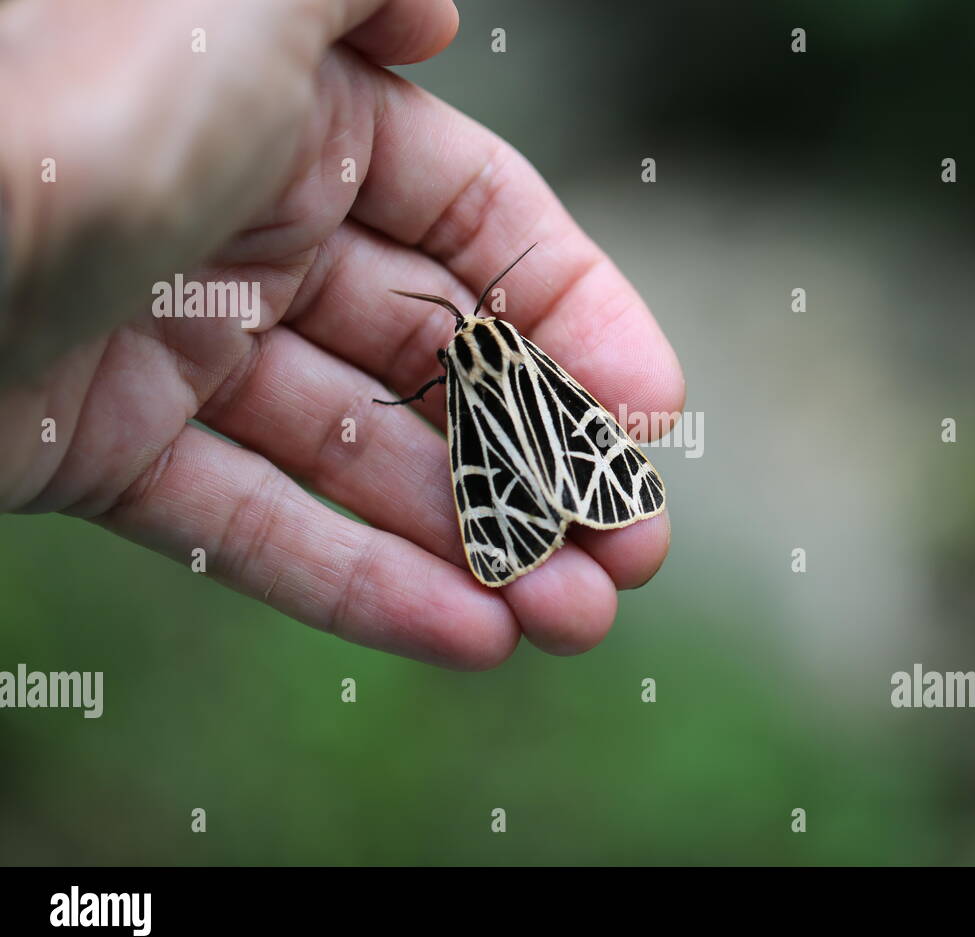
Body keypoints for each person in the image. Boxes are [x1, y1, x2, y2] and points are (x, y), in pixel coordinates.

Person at [0, 0, 683, 668]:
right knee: (583, 447)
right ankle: (584, 501)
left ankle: (530, 522)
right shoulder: (524, 354)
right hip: (557, 432)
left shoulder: (458, 365)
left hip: (488, 451)